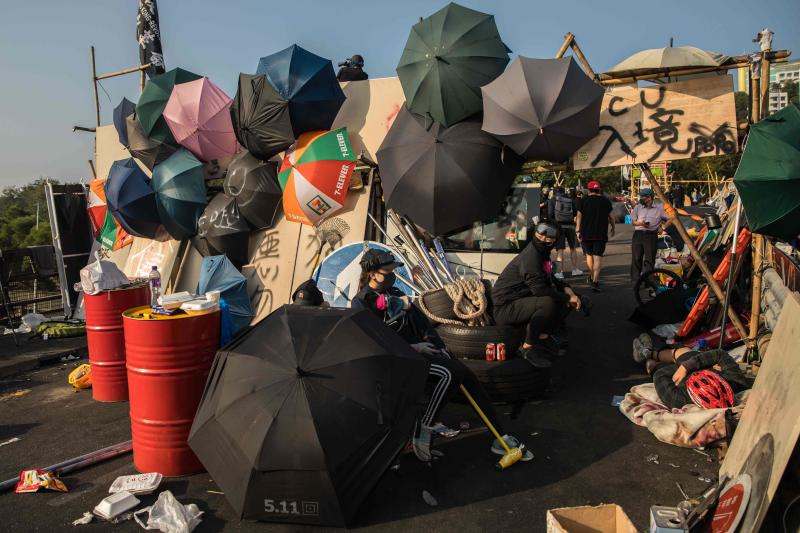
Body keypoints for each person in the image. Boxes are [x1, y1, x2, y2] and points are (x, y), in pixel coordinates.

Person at [353, 249, 531, 463]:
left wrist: (439, 345)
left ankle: (500, 437)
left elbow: (422, 323)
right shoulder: (361, 302)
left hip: (419, 352)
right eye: (388, 270)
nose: (393, 274)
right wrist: (414, 347)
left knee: (467, 376)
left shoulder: (394, 291)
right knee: (450, 373)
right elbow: (375, 339)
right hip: (398, 359)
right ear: (372, 273)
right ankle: (425, 426)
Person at [492, 220, 587, 367]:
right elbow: (539, 290)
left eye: (549, 235)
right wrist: (568, 297)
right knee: (548, 302)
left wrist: (567, 289)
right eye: (541, 231)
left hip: (519, 301)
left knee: (567, 298)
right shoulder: (532, 257)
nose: (543, 237)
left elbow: (550, 277)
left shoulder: (541, 253)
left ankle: (543, 336)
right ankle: (527, 347)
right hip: (504, 308)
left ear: (556, 239)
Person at [632, 334, 748, 410]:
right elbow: (720, 354)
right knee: (687, 353)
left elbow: (660, 375)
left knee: (657, 368)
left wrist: (683, 368)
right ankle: (651, 354)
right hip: (698, 369)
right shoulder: (736, 381)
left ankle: (648, 355)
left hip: (676, 378)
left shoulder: (679, 400)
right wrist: (686, 367)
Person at [575, 180, 615, 292]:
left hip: (586, 233)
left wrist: (578, 230)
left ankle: (591, 276)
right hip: (600, 234)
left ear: (588, 189)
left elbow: (579, 216)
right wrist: (613, 228)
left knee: (589, 255)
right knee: (597, 257)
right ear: (599, 189)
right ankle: (595, 282)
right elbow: (612, 217)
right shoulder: (605, 201)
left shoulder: (583, 200)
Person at [630, 188, 670, 283]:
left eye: (643, 197)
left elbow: (671, 218)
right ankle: (635, 280)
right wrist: (641, 224)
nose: (641, 199)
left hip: (651, 235)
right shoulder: (638, 207)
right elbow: (633, 222)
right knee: (636, 257)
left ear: (650, 198)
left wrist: (663, 227)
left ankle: (648, 281)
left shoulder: (660, 208)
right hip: (638, 234)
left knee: (649, 259)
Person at [548, 186, 582, 279]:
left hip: (559, 227)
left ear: (554, 192)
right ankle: (575, 270)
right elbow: (575, 213)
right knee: (573, 248)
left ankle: (560, 272)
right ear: (564, 191)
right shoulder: (570, 199)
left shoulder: (552, 200)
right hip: (570, 226)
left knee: (560, 249)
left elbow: (550, 214)